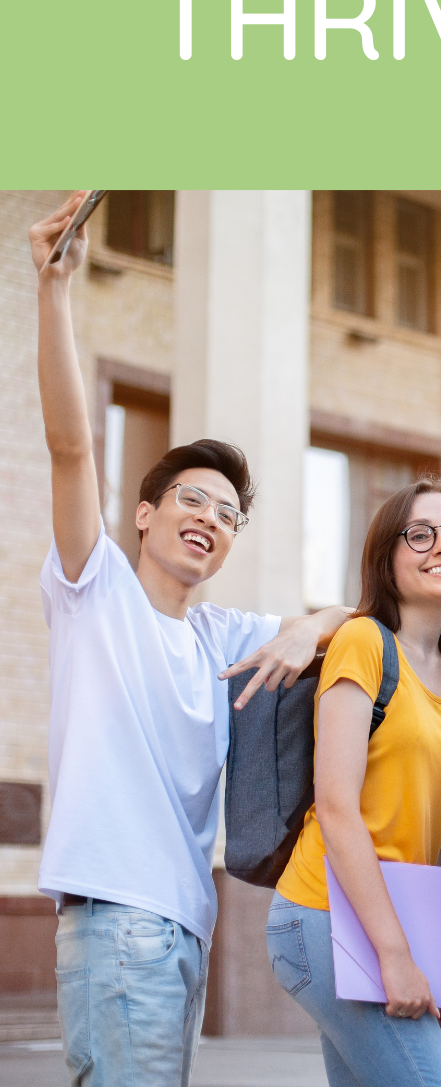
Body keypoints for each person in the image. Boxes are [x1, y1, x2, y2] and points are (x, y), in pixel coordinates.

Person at [31, 193, 353, 1087]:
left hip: (182, 922)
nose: (210, 519)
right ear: (144, 516)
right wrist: (54, 292)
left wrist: (313, 626)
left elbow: (352, 622)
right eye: (191, 501)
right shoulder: (95, 594)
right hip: (118, 917)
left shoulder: (226, 635)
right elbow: (67, 447)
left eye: (228, 514)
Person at [267, 478, 441, 1087]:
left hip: (389, 920)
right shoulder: (364, 643)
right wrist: (396, 956)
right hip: (324, 913)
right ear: (387, 560)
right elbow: (337, 809)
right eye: (419, 534)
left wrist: (437, 961)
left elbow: (428, 825)